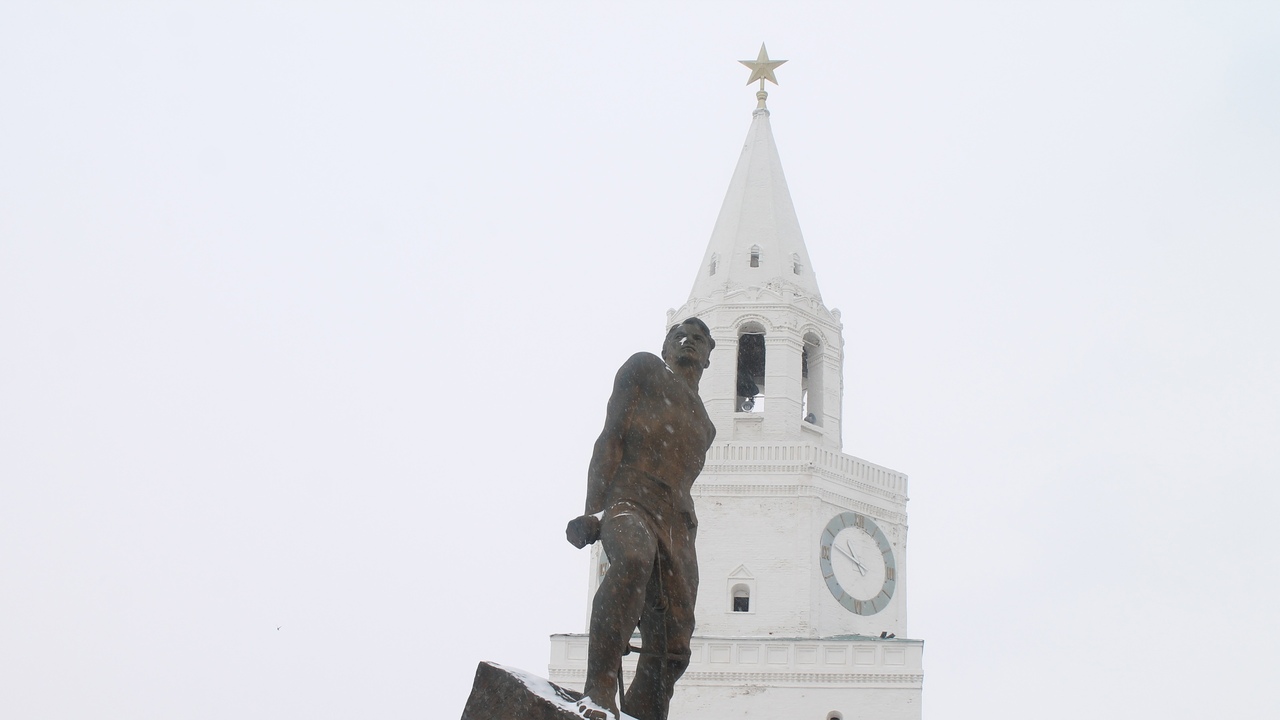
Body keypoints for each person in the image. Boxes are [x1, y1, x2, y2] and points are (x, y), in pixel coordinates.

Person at [565, 318, 716, 720]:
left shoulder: (706, 425)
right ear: (666, 344)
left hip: (679, 525)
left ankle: (641, 714)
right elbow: (610, 437)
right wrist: (594, 509)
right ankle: (598, 691)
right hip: (630, 499)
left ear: (708, 356)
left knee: (674, 643)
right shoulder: (644, 369)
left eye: (698, 339)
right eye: (679, 335)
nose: (687, 341)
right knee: (633, 560)